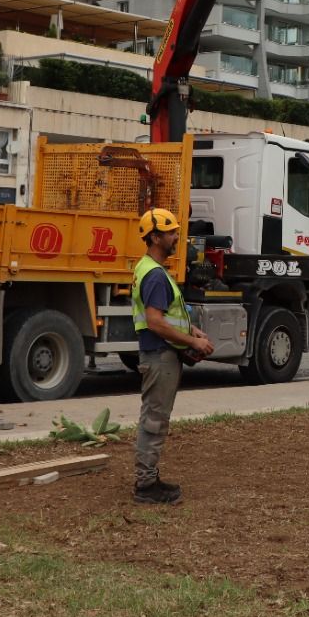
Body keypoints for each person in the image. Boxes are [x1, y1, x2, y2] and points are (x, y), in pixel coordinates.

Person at [131, 207, 214, 505]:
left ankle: (149, 479)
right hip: (160, 355)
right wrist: (192, 340)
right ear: (155, 237)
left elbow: (168, 316)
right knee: (154, 419)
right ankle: (145, 486)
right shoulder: (154, 275)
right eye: (171, 232)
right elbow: (155, 321)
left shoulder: (151, 269)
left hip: (162, 353)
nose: (177, 237)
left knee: (154, 417)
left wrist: (194, 332)